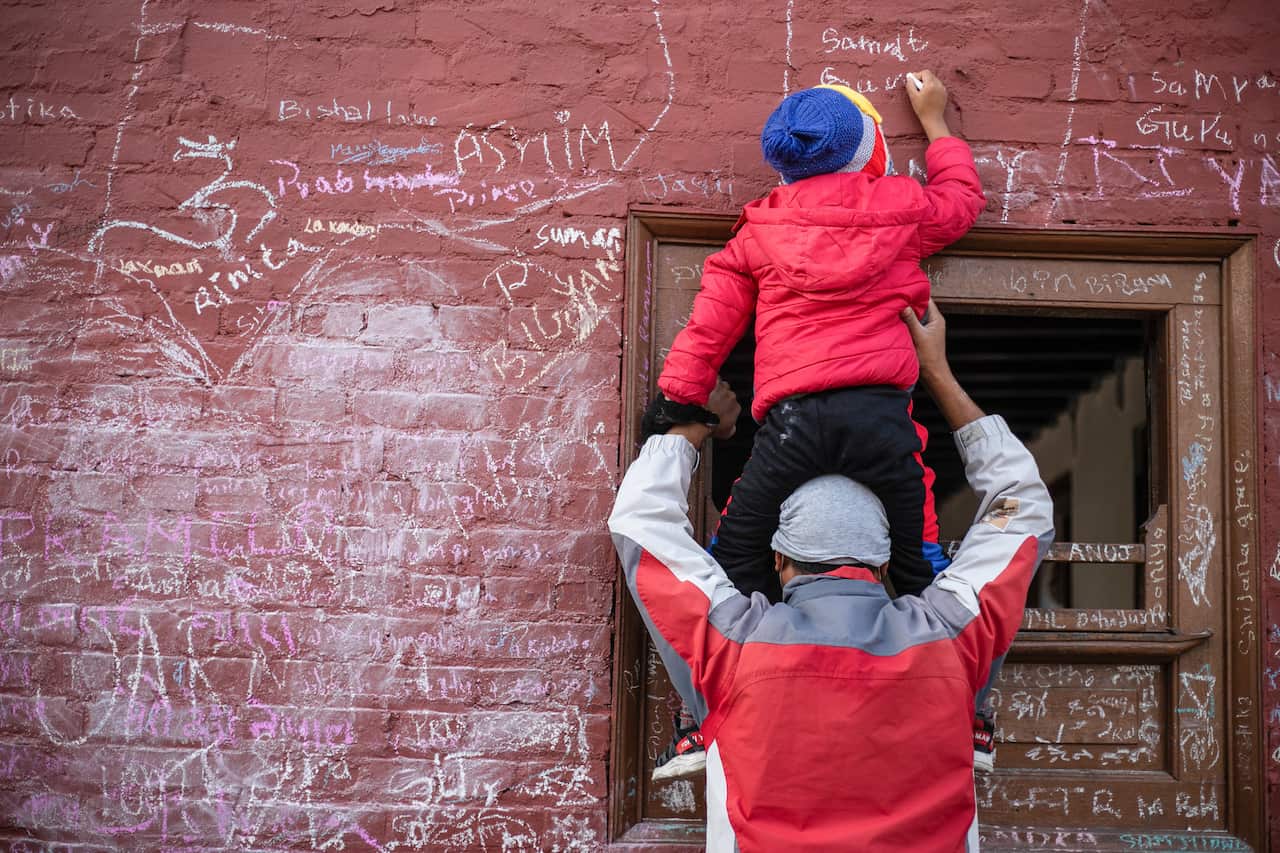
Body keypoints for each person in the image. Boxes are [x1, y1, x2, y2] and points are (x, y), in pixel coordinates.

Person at [643, 71, 990, 777]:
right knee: (921, 565)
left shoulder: (760, 228)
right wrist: (937, 126)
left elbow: (710, 327)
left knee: (735, 557)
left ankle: (702, 723)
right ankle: (971, 718)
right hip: (883, 421)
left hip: (792, 424)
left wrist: (677, 402)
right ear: (867, 152)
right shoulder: (903, 208)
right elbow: (961, 204)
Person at [610, 302, 1054, 852]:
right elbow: (1024, 509)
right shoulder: (953, 633)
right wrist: (937, 372)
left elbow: (638, 524)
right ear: (886, 563)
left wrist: (688, 422)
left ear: (777, 560)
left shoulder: (734, 642)